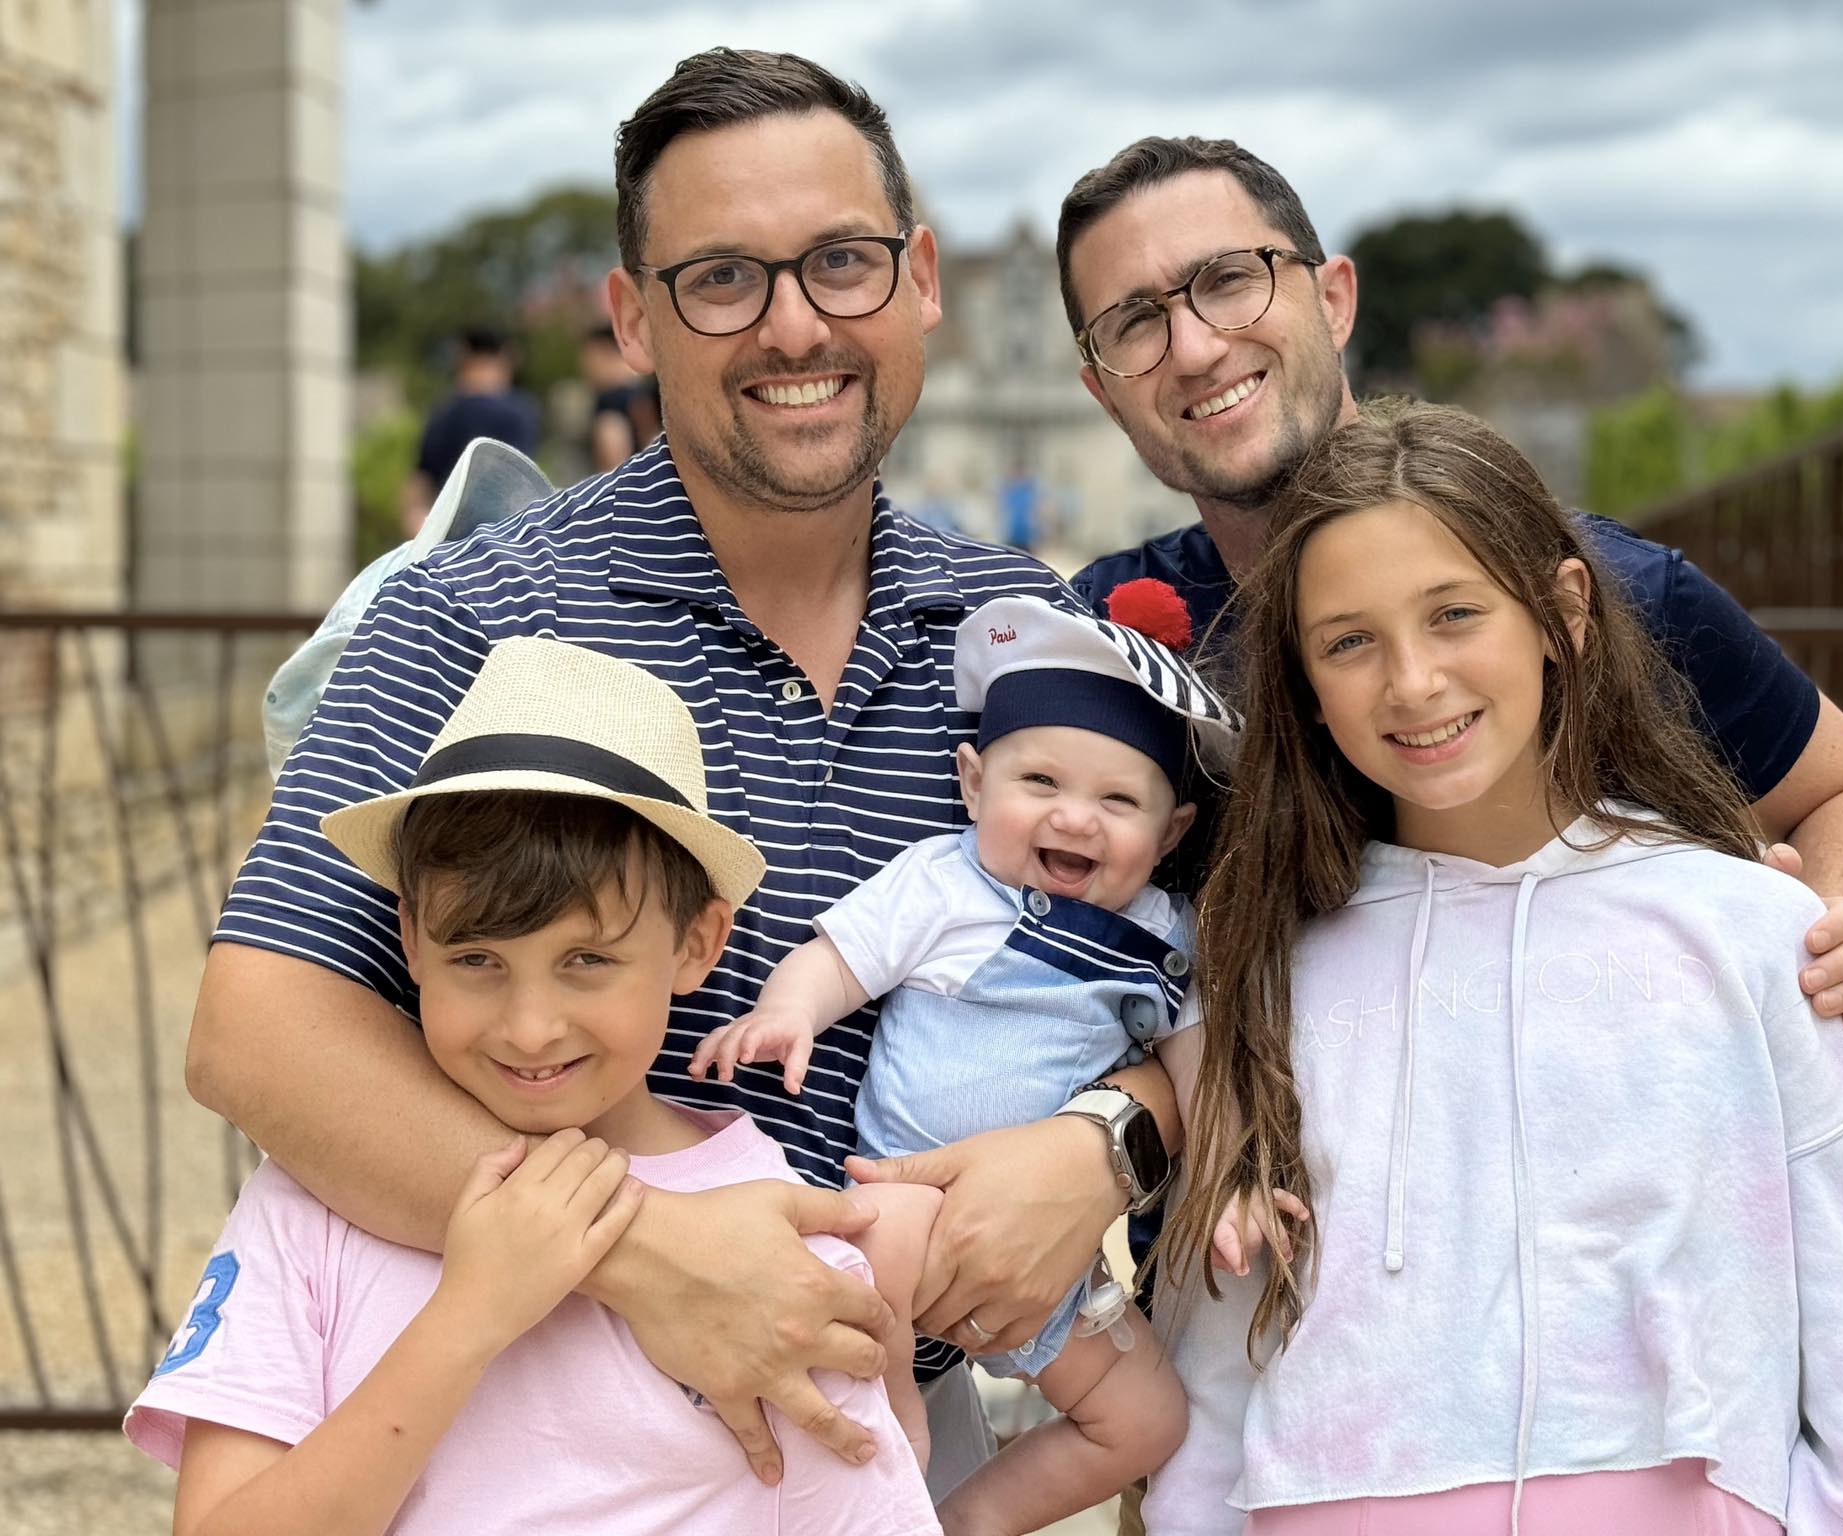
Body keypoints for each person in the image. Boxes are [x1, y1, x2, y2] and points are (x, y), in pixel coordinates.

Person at [183, 48, 1180, 1495]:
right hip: (538, 1405)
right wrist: (652, 1260)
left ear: (920, 280)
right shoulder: (471, 615)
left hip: (892, 1425)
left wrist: (1111, 1142)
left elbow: (1220, 964)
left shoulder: (1014, 625)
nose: (794, 327)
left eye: (841, 263)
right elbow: (257, 1030)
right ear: (632, 317)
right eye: (722, 278)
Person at [1144, 401, 1843, 1535]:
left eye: (1454, 613)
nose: (1413, 682)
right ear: (1303, 681)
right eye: (1348, 641)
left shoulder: (1752, 934)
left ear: (1560, 612)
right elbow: (1217, 1349)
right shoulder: (1258, 970)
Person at [1055, 136, 1843, 1035]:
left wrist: (1801, 971)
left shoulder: (1600, 593)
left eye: (1230, 278)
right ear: (1102, 392)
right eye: (1135, 323)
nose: (1193, 347)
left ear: (1336, 300)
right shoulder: (1100, 644)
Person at [130, 638, 941, 1535]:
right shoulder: (313, 1204)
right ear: (409, 936)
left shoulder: (779, 1251)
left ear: (698, 943)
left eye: (587, 960)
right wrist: (470, 1318)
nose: (529, 1027)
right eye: (476, 959)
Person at [692, 592, 1235, 1534]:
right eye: (1041, 784)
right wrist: (787, 1011)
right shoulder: (944, 884)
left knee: (1147, 1422)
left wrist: (1231, 1177)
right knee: (884, 1284)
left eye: (1119, 800)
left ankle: (963, 1522)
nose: (1077, 818)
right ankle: (891, 1428)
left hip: (1049, 1255)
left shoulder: (1161, 939)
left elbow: (1199, 1069)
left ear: (1174, 831)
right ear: (974, 783)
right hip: (900, 1194)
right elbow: (843, 956)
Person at [404, 326, 543, 535]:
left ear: (463, 358)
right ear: (506, 358)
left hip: (449, 537)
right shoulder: (522, 411)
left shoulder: (445, 412)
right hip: (510, 536)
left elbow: (420, 482)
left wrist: (419, 529)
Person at [584, 322, 660, 473]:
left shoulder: (610, 399)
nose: (586, 368)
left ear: (605, 352)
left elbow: (611, 444)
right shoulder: (645, 387)